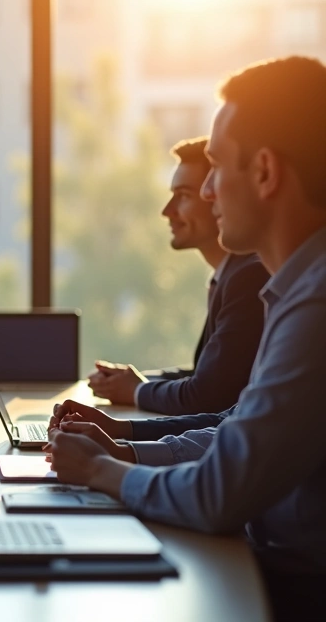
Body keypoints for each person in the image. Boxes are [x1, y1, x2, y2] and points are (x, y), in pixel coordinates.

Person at [47, 56, 326, 619]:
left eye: (218, 168)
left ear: (266, 172)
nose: (207, 194)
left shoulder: (317, 304)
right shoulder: (294, 290)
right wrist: (125, 450)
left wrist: (105, 472)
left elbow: (220, 493)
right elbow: (235, 431)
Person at [88, 137, 268, 415]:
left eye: (183, 195)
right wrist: (135, 381)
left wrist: (136, 390)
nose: (167, 211)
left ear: (215, 195)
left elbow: (208, 395)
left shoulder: (248, 277)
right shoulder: (231, 275)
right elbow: (208, 375)